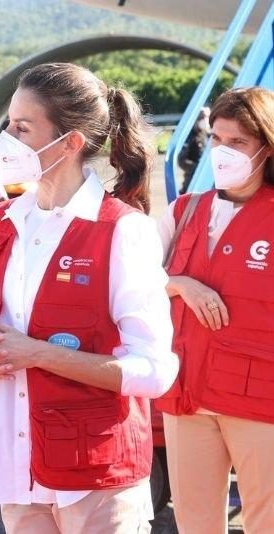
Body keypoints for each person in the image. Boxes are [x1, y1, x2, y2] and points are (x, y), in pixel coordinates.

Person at [0, 63, 178, 533]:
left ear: (71, 142)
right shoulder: (4, 222)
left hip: (95, 473)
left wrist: (36, 354)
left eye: (22, 128)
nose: (6, 141)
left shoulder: (123, 231)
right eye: (7, 125)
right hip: (17, 464)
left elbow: (154, 371)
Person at [155, 87, 274, 534]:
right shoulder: (184, 211)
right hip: (188, 394)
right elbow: (129, 283)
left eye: (238, 142)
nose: (223, 152)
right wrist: (180, 284)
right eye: (216, 139)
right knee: (194, 521)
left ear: (267, 146)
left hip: (260, 400)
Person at [178, 106, 211, 194]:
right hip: (192, 183)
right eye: (203, 117)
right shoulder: (190, 137)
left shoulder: (208, 135)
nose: (206, 120)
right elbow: (181, 160)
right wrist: (198, 168)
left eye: (207, 117)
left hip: (207, 182)